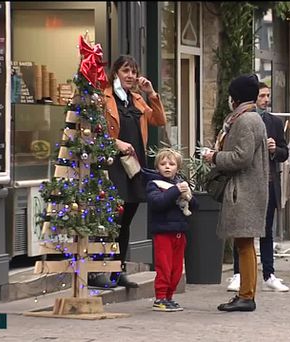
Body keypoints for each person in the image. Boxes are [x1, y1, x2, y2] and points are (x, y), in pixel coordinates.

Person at [90, 55, 166, 288]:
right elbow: (95, 131)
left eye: (134, 71)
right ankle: (97, 270)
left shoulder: (137, 100)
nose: (131, 76)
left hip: (134, 167)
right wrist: (116, 143)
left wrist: (151, 94)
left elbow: (159, 120)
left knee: (126, 221)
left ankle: (117, 270)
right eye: (126, 71)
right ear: (116, 73)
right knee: (110, 219)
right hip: (111, 166)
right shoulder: (104, 98)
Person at [203, 74, 269, 312]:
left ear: (236, 97)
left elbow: (242, 157)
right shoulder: (251, 118)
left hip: (244, 189)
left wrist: (214, 157)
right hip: (249, 188)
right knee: (244, 242)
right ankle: (246, 294)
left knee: (244, 242)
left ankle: (247, 296)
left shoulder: (245, 121)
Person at [226, 82, 289, 293]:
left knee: (257, 233)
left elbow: (242, 157)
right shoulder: (242, 120)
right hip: (252, 183)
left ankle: (263, 278)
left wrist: (216, 157)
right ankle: (240, 277)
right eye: (262, 95)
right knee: (242, 236)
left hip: (261, 182)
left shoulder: (252, 121)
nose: (266, 99)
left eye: (267, 96)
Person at [144, 148, 198, 312]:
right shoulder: (154, 184)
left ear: (178, 167)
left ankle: (169, 297)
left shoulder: (181, 184)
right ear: (157, 167)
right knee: (164, 267)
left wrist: (189, 196)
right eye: (163, 164)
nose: (167, 167)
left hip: (179, 232)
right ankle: (160, 297)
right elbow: (157, 202)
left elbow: (195, 207)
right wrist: (175, 191)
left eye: (171, 164)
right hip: (163, 233)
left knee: (176, 269)